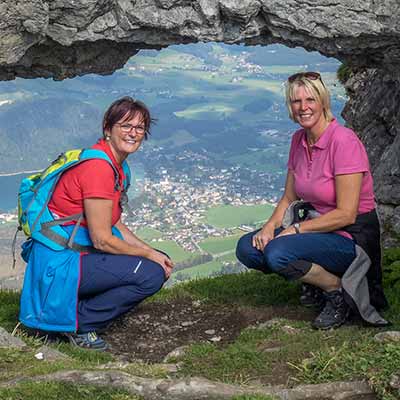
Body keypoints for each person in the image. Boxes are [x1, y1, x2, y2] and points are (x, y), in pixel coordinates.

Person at [236, 72, 387, 330]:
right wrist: (269, 227)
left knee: (278, 253)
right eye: (296, 101)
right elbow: (290, 196)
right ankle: (318, 280)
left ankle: (336, 290)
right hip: (319, 230)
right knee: (248, 248)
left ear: (323, 101)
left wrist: (295, 230)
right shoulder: (299, 140)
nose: (303, 107)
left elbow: (346, 214)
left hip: (352, 237)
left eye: (310, 99)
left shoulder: (343, 142)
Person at [19, 97, 174, 349]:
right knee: (150, 274)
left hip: (70, 254)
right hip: (61, 261)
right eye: (125, 126)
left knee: (156, 260)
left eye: (139, 127)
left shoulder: (116, 166)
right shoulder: (99, 169)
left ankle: (74, 307)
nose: (133, 133)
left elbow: (116, 225)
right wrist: (149, 255)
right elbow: (102, 239)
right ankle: (78, 323)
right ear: (108, 128)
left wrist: (153, 252)